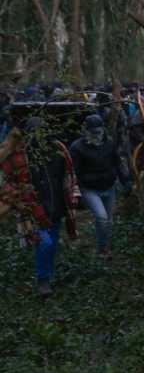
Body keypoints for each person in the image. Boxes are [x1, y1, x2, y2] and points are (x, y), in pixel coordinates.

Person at [2, 118, 80, 297]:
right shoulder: (21, 156)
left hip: (56, 207)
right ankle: (42, 280)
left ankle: (48, 277)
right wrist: (18, 199)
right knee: (45, 243)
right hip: (34, 210)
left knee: (51, 245)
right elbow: (10, 180)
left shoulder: (58, 150)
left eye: (42, 131)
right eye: (35, 132)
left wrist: (72, 197)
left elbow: (68, 175)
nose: (40, 136)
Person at [69, 114, 129, 259]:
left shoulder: (109, 143)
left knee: (108, 221)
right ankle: (102, 250)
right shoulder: (77, 148)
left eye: (99, 131)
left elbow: (117, 163)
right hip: (90, 189)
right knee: (101, 217)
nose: (97, 135)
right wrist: (76, 193)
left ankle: (104, 247)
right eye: (93, 132)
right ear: (87, 131)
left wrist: (125, 181)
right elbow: (74, 172)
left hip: (109, 186)